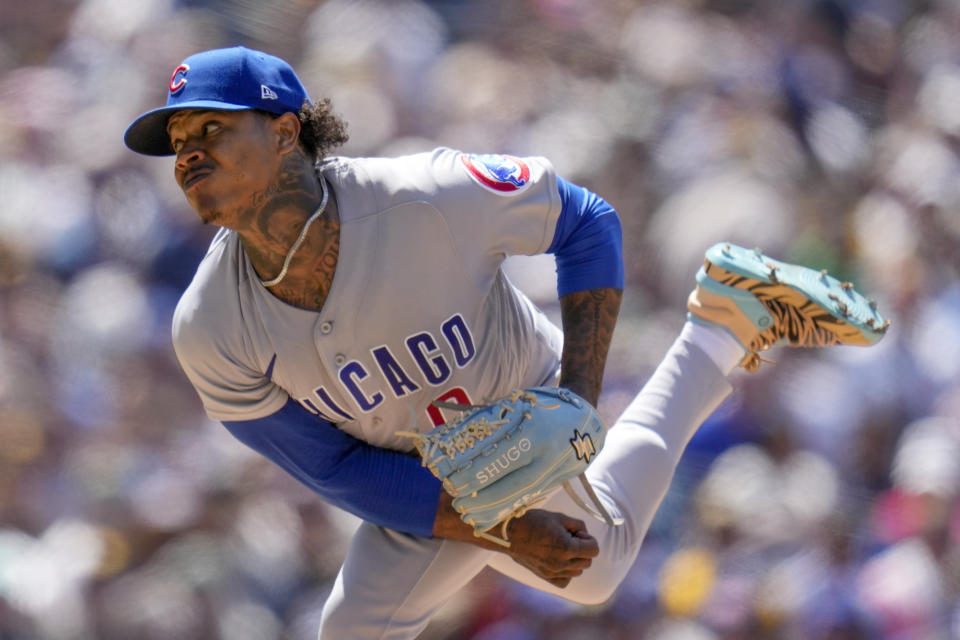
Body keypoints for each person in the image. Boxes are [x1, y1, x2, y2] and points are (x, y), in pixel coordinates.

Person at [123, 46, 887, 639]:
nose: (188, 154)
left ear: (287, 132)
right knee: (369, 624)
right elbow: (332, 467)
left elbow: (586, 220)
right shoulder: (209, 329)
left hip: (523, 406)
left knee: (589, 570)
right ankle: (727, 323)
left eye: (213, 129)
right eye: (180, 140)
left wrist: (580, 407)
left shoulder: (422, 196)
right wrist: (506, 530)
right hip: (414, 473)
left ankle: (725, 327)